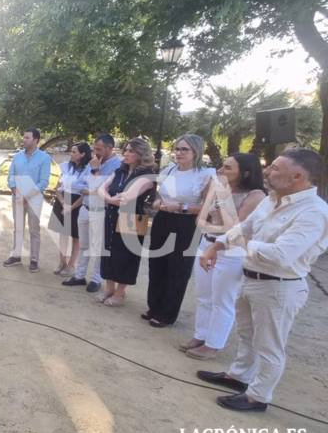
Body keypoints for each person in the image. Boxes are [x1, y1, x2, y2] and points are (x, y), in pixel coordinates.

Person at [197, 148, 328, 413]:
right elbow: (243, 227)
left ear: (298, 176)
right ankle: (238, 376)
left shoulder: (314, 212)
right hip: (251, 278)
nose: (267, 171)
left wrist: (241, 243)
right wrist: (218, 244)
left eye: (275, 168)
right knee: (247, 335)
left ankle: (258, 397)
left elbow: (281, 255)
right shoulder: (272, 199)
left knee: (269, 346)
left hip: (278, 286)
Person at [182, 153, 267, 359]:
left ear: (245, 173)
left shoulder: (255, 196)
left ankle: (213, 344)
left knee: (222, 299)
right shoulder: (219, 189)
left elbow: (235, 229)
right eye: (222, 166)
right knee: (204, 296)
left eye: (228, 168)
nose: (220, 171)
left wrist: (221, 204)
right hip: (207, 243)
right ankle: (201, 335)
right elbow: (200, 221)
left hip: (231, 251)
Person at [145, 134, 214, 328]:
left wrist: (182, 207)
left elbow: (209, 207)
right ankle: (154, 306)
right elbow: (160, 193)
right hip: (163, 219)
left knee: (178, 268)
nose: (179, 153)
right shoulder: (170, 169)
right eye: (177, 148)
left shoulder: (204, 175)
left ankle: (167, 313)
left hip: (187, 223)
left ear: (196, 152)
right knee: (157, 264)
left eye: (185, 149)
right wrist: (158, 201)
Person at [97, 138, 156, 307]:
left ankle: (120, 292)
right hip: (112, 215)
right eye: (126, 150)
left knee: (126, 255)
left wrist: (107, 197)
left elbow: (128, 197)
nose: (127, 154)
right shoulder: (121, 170)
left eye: (131, 151)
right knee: (109, 251)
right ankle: (109, 288)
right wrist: (109, 199)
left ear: (141, 154)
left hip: (132, 219)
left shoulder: (147, 175)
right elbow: (101, 188)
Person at [63, 133, 122, 290]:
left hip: (102, 211)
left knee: (99, 246)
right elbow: (78, 184)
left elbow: (108, 189)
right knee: (84, 244)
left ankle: (96, 278)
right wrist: (91, 190)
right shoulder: (92, 162)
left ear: (110, 148)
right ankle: (80, 275)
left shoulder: (118, 166)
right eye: (94, 148)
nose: (95, 152)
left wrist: (96, 171)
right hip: (85, 208)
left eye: (99, 149)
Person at [3, 128, 52, 273]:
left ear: (35, 140)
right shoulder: (18, 156)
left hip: (34, 200)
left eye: (27, 138)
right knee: (18, 228)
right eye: (24, 137)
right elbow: (11, 175)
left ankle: (34, 259)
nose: (24, 140)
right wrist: (16, 192)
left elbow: (43, 182)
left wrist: (26, 196)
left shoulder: (44, 158)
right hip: (17, 197)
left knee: (34, 230)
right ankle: (16, 256)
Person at [49, 142, 91, 276]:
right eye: (71, 151)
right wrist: (63, 203)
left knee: (76, 236)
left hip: (77, 204)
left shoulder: (88, 170)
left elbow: (85, 194)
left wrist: (71, 207)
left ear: (83, 154)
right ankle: (62, 262)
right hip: (63, 201)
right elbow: (58, 187)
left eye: (74, 152)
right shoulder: (66, 167)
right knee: (63, 233)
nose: (71, 154)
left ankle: (71, 265)